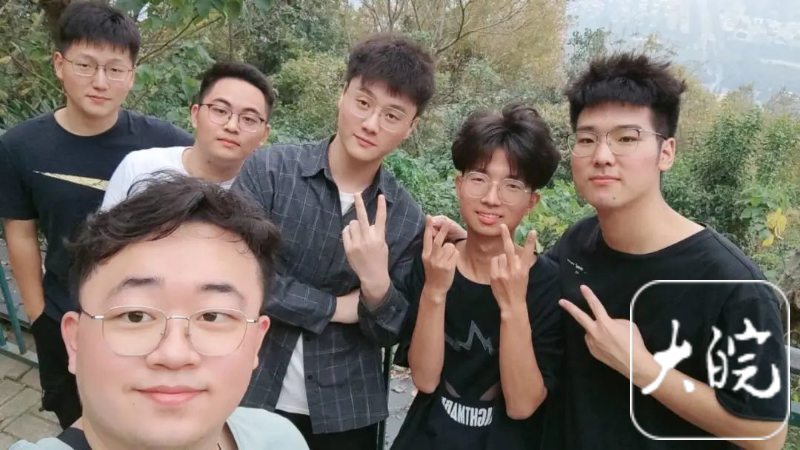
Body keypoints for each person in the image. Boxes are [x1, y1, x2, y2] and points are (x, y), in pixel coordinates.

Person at [235, 33, 464, 449]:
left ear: (410, 128)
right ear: (342, 96)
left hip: (347, 412)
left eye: (392, 115)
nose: (372, 123)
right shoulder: (269, 172)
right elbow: (235, 278)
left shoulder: (405, 217)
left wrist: (376, 285)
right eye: (363, 102)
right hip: (247, 387)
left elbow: (392, 332)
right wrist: (337, 308)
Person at [548, 52, 788, 449]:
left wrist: (645, 370)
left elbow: (767, 434)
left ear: (666, 152)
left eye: (626, 138)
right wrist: (472, 246)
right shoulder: (578, 241)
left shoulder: (733, 285)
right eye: (587, 139)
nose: (602, 156)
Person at [10, 173, 308, 450]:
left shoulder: (279, 439)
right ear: (75, 341)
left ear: (257, 341)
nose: (174, 355)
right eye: (135, 315)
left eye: (212, 316)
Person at [0, 2, 193, 429]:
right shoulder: (20, 147)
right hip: (65, 316)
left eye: (115, 69)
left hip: (146, 322)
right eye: (85, 65)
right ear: (59, 64)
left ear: (132, 74)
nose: (100, 82)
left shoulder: (166, 145)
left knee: (145, 425)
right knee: (77, 423)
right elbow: (21, 233)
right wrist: (39, 316)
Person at [391, 103, 563, 450]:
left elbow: (522, 405)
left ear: (531, 201)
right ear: (459, 185)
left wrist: (513, 305)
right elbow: (425, 379)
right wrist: (435, 291)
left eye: (511, 185)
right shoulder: (434, 262)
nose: (491, 198)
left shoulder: (548, 283)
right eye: (479, 179)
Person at [101, 61, 274, 209]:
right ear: (195, 115)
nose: (232, 126)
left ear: (264, 135)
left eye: (249, 119)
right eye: (220, 111)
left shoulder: (267, 197)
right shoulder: (140, 169)